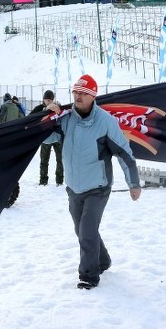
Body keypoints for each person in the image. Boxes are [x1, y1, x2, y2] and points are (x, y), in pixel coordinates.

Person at [46, 74, 142, 290]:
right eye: (75, 92)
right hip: (73, 187)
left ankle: (88, 276)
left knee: (87, 231)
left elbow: (124, 153)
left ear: (92, 96)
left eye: (82, 93)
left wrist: (133, 184)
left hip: (98, 187)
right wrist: (47, 114)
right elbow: (46, 137)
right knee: (81, 230)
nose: (77, 96)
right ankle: (103, 260)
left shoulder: (106, 122)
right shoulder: (66, 118)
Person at [30, 89, 63, 186]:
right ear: (43, 100)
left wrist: (58, 108)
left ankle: (59, 180)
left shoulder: (57, 107)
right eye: (46, 100)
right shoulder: (39, 109)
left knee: (60, 160)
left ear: (53, 100)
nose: (48, 102)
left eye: (50, 100)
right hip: (45, 139)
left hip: (57, 138)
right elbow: (30, 118)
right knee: (44, 161)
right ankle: (43, 180)